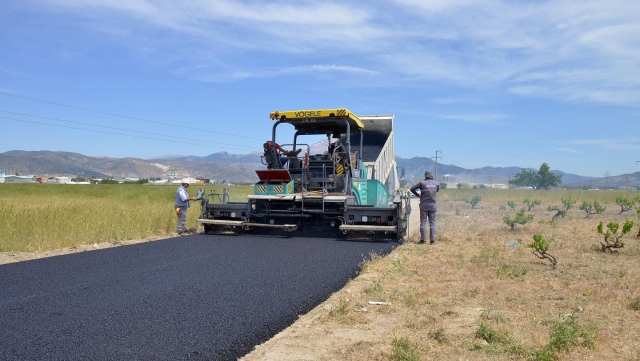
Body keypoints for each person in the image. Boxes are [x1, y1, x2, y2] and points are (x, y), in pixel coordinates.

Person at [410, 171, 440, 244]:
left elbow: (412, 189)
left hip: (424, 205)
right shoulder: (436, 183)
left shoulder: (421, 183)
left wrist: (418, 195)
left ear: (425, 176)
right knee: (432, 222)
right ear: (431, 175)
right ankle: (432, 241)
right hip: (433, 205)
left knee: (423, 221)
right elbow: (437, 190)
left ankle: (423, 240)